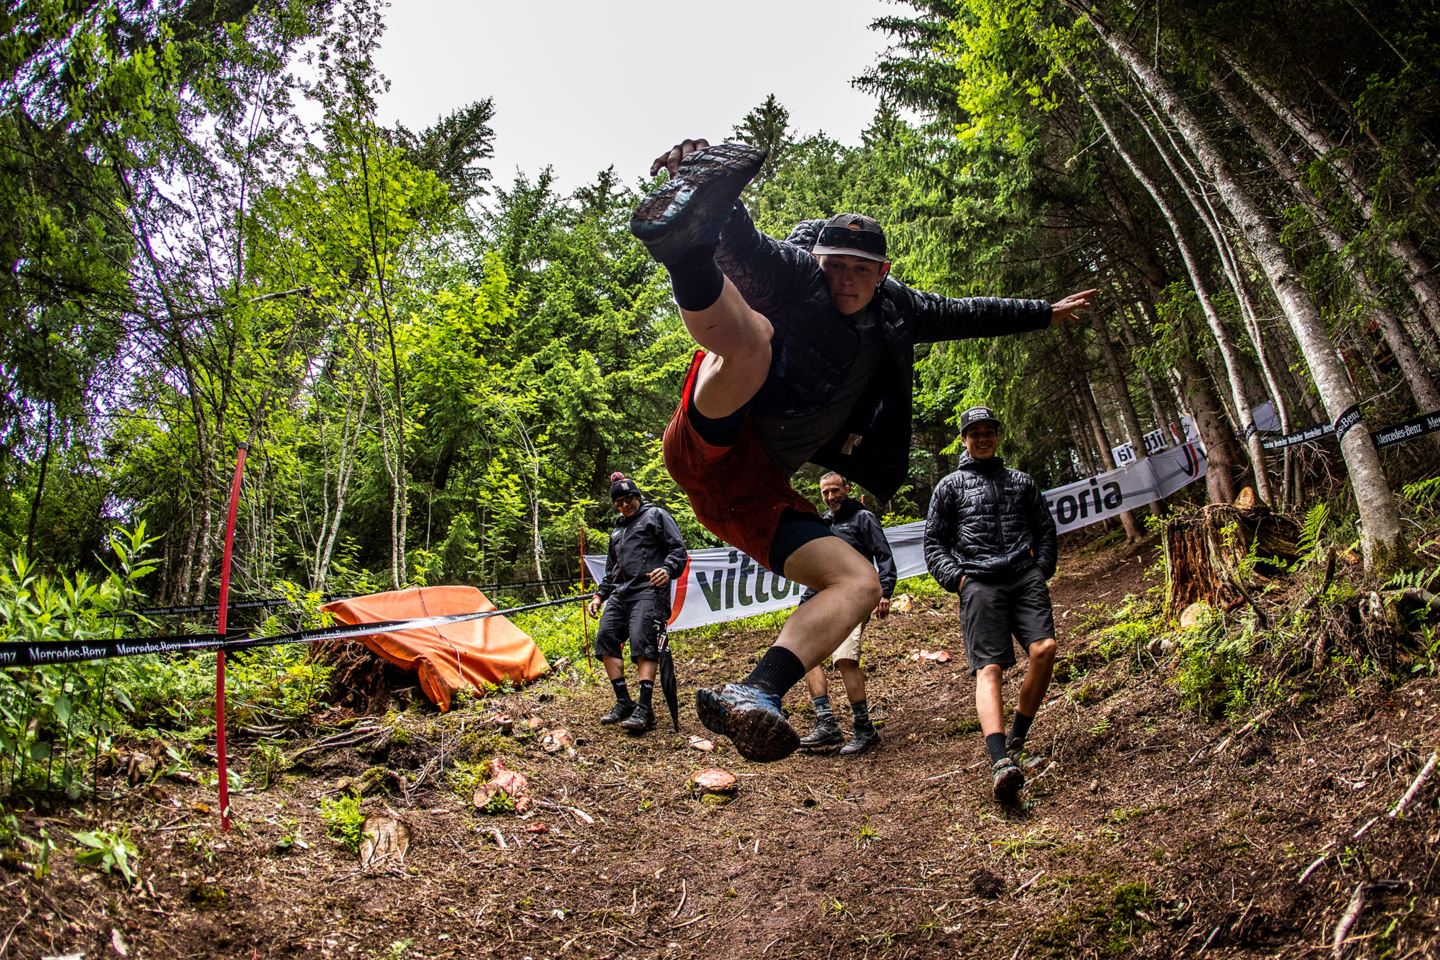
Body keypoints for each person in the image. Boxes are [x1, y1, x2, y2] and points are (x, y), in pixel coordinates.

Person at [629, 138, 1093, 762]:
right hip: (711, 434)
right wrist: (704, 183)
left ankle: (760, 691)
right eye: (834, 265)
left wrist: (1045, 312)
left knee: (860, 581)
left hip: (752, 490)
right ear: (818, 259)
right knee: (755, 336)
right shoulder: (797, 276)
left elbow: (970, 312)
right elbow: (742, 245)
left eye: (859, 269)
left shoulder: (900, 311)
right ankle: (681, 254)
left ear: (884, 272)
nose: (844, 280)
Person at [922, 406, 1059, 802]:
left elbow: (1045, 529)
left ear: (997, 436)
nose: (982, 438)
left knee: (1045, 649)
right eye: (974, 433)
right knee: (990, 668)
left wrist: (1040, 569)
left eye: (988, 431)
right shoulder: (949, 486)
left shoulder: (1021, 482)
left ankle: (1018, 737)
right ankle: (1000, 760)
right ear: (964, 439)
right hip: (978, 583)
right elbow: (934, 543)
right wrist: (960, 580)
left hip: (1023, 577)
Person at [796, 472, 896, 756]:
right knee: (805, 654)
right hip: (821, 596)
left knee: (844, 658)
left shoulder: (864, 518)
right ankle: (826, 722)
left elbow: (884, 555)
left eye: (835, 491)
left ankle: (864, 728)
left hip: (855, 598)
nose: (830, 497)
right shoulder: (824, 523)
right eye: (825, 493)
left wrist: (885, 592)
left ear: (847, 489)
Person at [587, 473, 688, 734]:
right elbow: (611, 570)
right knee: (606, 639)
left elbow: (678, 551)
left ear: (637, 496)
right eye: (618, 502)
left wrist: (667, 569)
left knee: (643, 643)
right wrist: (600, 595)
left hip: (648, 590)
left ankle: (645, 708)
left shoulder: (656, 516)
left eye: (628, 499)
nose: (624, 505)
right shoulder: (617, 531)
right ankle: (624, 702)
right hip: (620, 594)